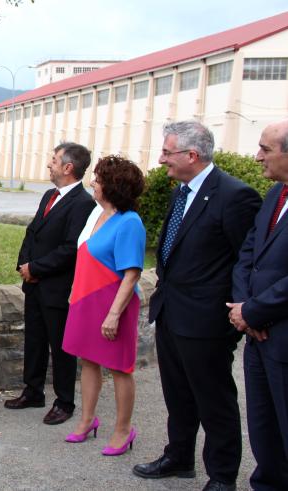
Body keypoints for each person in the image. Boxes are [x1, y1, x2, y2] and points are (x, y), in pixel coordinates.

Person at [133, 121, 260, 491]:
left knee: (214, 399)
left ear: (192, 155)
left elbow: (245, 260)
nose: (161, 160)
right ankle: (179, 456)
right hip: (171, 311)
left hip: (207, 320)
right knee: (177, 393)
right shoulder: (181, 192)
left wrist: (240, 310)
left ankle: (222, 476)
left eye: (167, 153)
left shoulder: (236, 196)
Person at [6, 143, 96, 425]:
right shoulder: (49, 195)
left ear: (68, 167)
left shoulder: (83, 203)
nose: (49, 164)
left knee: (61, 347)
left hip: (57, 287)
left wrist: (37, 268)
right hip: (34, 284)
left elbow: (71, 248)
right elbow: (32, 232)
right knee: (34, 340)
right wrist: (24, 265)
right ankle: (33, 391)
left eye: (54, 160)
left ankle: (64, 401)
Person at [61, 155, 145, 455]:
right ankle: (86, 421)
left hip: (112, 305)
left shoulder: (130, 222)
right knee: (87, 360)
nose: (93, 182)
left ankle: (123, 430)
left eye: (98, 178)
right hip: (86, 300)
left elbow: (132, 273)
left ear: (113, 186)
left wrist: (113, 315)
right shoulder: (98, 214)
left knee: (120, 367)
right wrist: (74, 292)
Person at [229, 118, 288, 491]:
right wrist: (243, 307)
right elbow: (248, 253)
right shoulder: (274, 195)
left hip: (280, 335)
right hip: (257, 335)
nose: (257, 157)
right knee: (264, 428)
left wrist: (254, 311)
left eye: (265, 149)